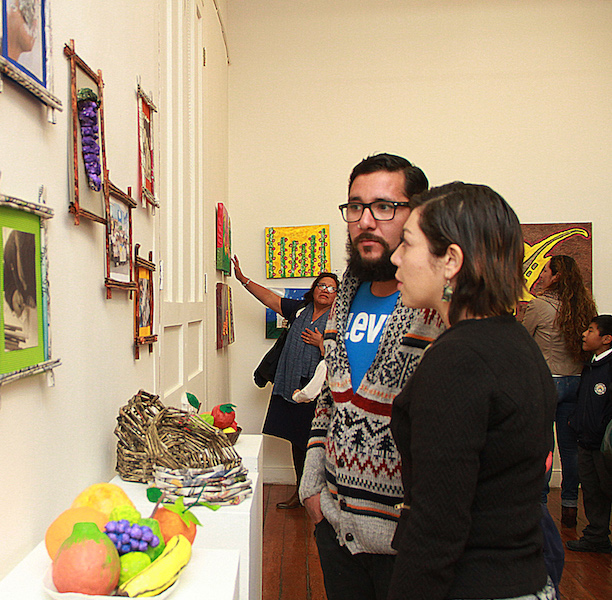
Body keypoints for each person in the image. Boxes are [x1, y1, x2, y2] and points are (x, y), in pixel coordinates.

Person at [387, 181, 556, 600]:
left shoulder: (459, 360)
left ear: (451, 261)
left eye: (407, 244)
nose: (396, 258)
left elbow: (437, 526)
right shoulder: (514, 342)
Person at [298, 153, 440, 600]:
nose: (365, 221)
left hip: (408, 544)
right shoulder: (343, 296)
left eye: (384, 207)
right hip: (337, 529)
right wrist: (311, 487)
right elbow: (330, 401)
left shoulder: (435, 307)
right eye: (355, 207)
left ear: (416, 214)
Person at [232, 255, 338, 509]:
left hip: (317, 393)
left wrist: (321, 344)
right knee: (295, 439)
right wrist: (243, 279)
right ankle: (302, 493)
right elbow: (270, 299)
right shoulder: (299, 310)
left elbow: (344, 356)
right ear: (313, 290)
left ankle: (323, 495)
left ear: (338, 296)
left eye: (332, 288)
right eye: (322, 285)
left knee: (316, 442)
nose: (326, 290)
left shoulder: (339, 320)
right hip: (291, 385)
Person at [523, 254, 597, 527]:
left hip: (547, 382)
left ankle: (541, 506)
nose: (540, 275)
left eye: (545, 270)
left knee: (544, 446)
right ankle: (568, 507)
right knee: (570, 449)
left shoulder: (539, 306)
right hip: (576, 381)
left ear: (555, 276)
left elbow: (523, 341)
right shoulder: (584, 305)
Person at [566, 314, 612, 553]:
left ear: (606, 339)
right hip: (585, 441)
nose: (584, 333)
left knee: (606, 488)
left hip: (604, 447)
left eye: (591, 330)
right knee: (592, 492)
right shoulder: (591, 366)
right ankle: (597, 536)